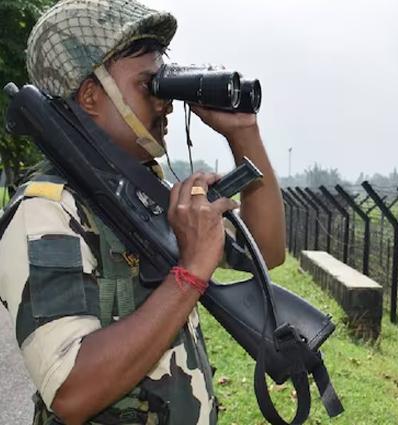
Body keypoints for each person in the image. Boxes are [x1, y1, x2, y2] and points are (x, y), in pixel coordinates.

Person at [0, 0, 286, 424]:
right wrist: (189, 273)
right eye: (149, 86)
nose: (166, 103)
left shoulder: (143, 194)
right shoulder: (45, 209)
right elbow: (71, 391)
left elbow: (268, 249)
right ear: (91, 96)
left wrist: (244, 132)